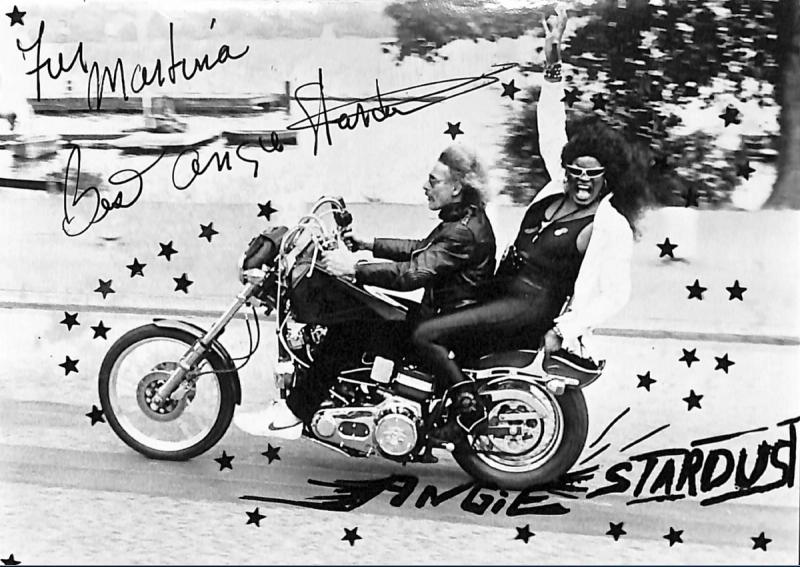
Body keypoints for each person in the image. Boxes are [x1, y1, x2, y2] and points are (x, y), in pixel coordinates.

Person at [413, 5, 649, 443]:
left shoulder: (608, 225)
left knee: (427, 335)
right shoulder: (557, 188)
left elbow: (616, 294)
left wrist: (565, 330)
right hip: (500, 289)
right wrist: (552, 60)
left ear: (608, 176)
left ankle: (466, 412)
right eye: (575, 172)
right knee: (418, 313)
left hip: (528, 308)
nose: (581, 181)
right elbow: (551, 128)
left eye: (592, 175)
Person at [234, 143, 497, 439]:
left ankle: (294, 413)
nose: (425, 186)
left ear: (457, 188)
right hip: (441, 315)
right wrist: (367, 244)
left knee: (349, 329)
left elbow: (414, 273)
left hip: (444, 325)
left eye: (434, 181)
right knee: (362, 312)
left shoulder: (462, 230)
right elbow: (421, 249)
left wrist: (353, 268)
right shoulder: (462, 219)